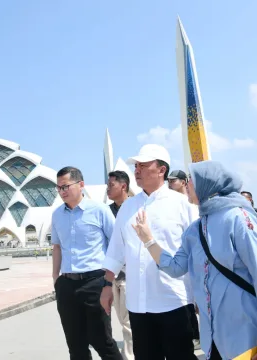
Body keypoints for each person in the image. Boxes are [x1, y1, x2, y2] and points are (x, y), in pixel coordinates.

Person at [132, 160, 257, 360]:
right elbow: (174, 268)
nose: (187, 184)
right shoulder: (195, 229)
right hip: (213, 337)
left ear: (207, 184)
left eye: (191, 179)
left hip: (245, 331)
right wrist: (148, 241)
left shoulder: (239, 218)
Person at [100, 144, 199, 360]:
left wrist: (199, 293)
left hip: (174, 300)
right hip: (138, 304)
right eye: (136, 166)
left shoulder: (182, 205)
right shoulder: (128, 207)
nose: (137, 171)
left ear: (161, 170)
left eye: (143, 166)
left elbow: (196, 253)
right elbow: (116, 249)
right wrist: (107, 285)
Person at [52, 166, 122, 360]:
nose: (62, 192)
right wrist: (55, 279)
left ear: (81, 184)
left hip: (95, 283)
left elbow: (116, 244)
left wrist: (109, 280)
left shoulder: (99, 210)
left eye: (65, 186)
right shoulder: (57, 214)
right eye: (58, 188)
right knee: (75, 345)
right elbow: (56, 247)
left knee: (102, 341)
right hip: (67, 284)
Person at [167, 169, 201, 350]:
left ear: (183, 182)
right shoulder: (167, 204)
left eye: (173, 181)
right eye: (169, 181)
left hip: (193, 264)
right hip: (178, 264)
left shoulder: (191, 206)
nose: (170, 184)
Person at [106, 170, 133, 360]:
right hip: (112, 275)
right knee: (121, 319)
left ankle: (130, 356)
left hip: (130, 274)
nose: (108, 189)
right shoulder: (106, 211)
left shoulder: (134, 208)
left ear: (123, 186)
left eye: (111, 185)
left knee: (128, 322)